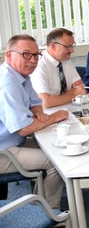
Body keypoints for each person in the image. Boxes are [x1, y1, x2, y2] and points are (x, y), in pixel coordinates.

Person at [0, 35, 69, 209]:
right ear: (9, 55)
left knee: (56, 145)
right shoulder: (8, 84)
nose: (32, 60)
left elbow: (36, 103)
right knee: (56, 162)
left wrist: (39, 115)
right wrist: (54, 117)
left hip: (14, 142)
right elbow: (23, 129)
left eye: (36, 55)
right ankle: (47, 213)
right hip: (3, 152)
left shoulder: (20, 75)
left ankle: (40, 203)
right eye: (26, 54)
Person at [30, 28, 87, 108]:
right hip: (47, 113)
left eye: (72, 46)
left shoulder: (65, 60)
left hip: (68, 107)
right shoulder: (39, 65)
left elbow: (81, 88)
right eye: (68, 46)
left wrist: (56, 99)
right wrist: (74, 94)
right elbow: (45, 102)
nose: (72, 50)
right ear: (53, 46)